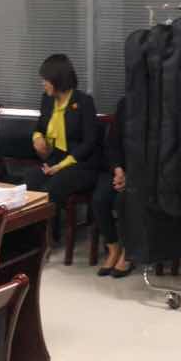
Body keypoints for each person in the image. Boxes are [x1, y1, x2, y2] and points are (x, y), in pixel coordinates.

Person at [25, 53, 103, 239]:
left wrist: (60, 166)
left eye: (46, 80)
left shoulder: (83, 102)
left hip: (81, 163)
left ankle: (45, 238)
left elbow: (90, 142)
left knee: (53, 186)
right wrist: (37, 138)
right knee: (31, 178)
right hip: (55, 159)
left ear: (57, 79)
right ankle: (34, 234)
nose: (43, 84)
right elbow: (39, 126)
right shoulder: (47, 99)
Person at [94, 94, 135, 277]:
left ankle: (129, 251)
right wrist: (118, 170)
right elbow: (112, 142)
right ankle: (113, 247)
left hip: (144, 173)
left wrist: (131, 176)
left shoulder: (159, 103)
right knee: (100, 199)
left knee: (124, 201)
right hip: (119, 169)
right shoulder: (125, 103)